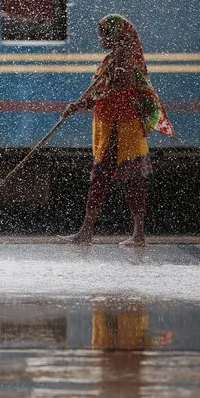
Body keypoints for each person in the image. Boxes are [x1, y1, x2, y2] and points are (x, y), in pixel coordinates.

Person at [58, 14, 175, 247]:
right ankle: (94, 232)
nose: (100, 38)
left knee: (123, 179)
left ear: (117, 36)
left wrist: (116, 65)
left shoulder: (125, 62)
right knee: (109, 179)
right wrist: (79, 106)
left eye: (105, 34)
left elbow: (119, 89)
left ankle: (124, 234)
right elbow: (100, 94)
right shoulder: (111, 60)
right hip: (111, 127)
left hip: (123, 130)